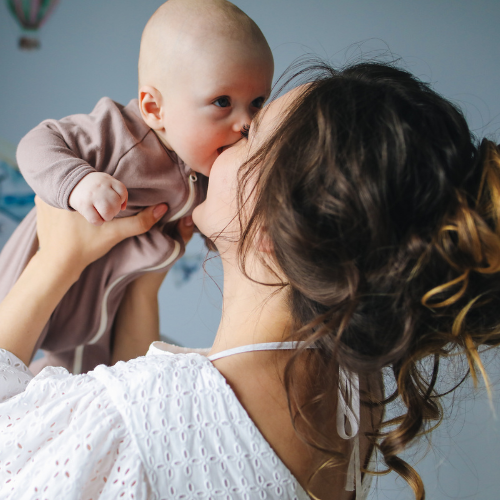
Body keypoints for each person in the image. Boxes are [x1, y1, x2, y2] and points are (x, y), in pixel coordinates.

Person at [1, 60, 500, 500]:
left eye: (251, 135)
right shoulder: (351, 392)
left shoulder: (134, 416)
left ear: (270, 226)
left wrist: (54, 266)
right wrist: (145, 281)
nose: (226, 140)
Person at [0, 0, 274, 375]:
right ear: (154, 108)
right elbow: (38, 142)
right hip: (31, 286)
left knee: (85, 387)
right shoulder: (120, 134)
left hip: (104, 310)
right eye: (222, 102)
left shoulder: (208, 167)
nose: (245, 123)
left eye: (258, 103)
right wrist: (78, 182)